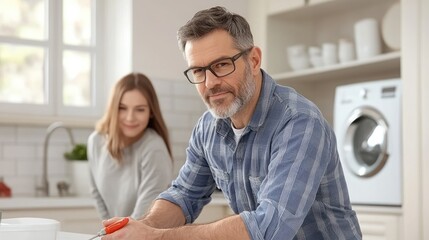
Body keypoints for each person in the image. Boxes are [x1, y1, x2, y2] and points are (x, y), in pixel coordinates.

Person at [101, 6, 362, 240]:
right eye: (198, 71)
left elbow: (269, 229)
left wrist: (155, 238)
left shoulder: (299, 123)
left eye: (222, 64)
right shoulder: (208, 128)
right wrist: (143, 227)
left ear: (254, 60)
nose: (210, 82)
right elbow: (183, 196)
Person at [87, 72, 173, 220]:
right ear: (113, 108)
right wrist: (110, 230)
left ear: (151, 112)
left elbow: (144, 214)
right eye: (122, 108)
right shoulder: (96, 141)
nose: (130, 117)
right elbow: (96, 193)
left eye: (140, 109)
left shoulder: (154, 148)